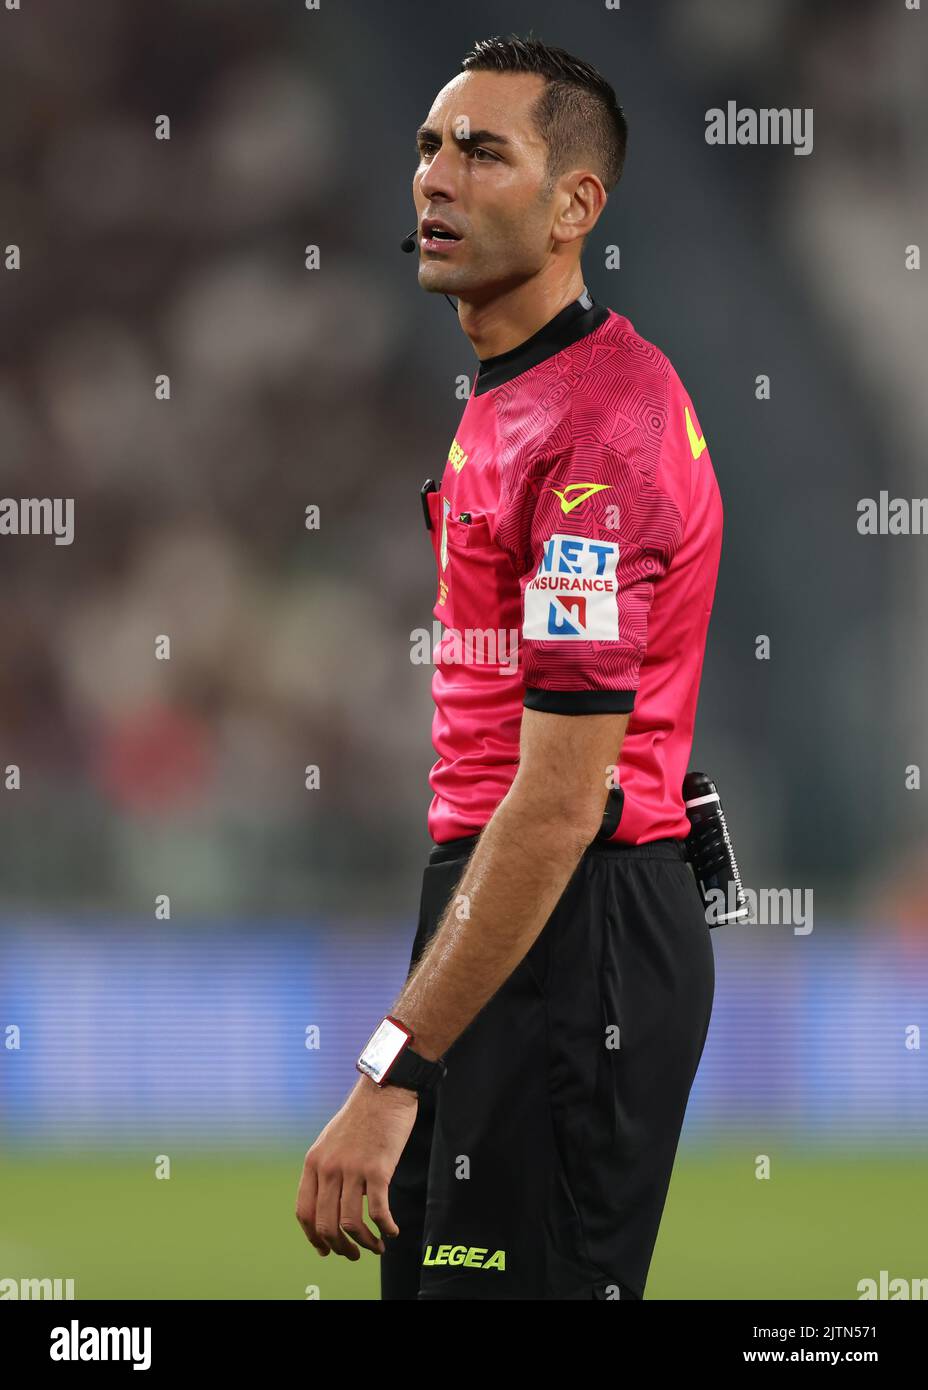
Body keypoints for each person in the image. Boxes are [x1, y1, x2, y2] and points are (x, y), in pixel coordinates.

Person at [296, 34, 722, 1301]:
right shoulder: (512, 396)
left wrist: (390, 1068)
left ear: (574, 203)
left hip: (574, 923)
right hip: (513, 907)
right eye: (428, 145)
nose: (435, 176)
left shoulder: (598, 434)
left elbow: (558, 795)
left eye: (483, 151)